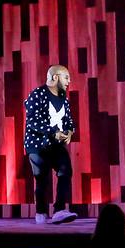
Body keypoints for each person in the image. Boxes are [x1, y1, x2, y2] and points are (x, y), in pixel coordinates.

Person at [24, 64, 78, 224]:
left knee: (65, 170)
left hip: (56, 144)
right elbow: (33, 121)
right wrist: (53, 132)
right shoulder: (37, 94)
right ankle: (41, 212)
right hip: (38, 145)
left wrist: (69, 132)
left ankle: (59, 210)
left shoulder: (63, 98)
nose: (69, 81)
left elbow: (68, 120)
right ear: (55, 77)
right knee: (42, 177)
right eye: (66, 77)